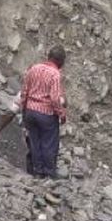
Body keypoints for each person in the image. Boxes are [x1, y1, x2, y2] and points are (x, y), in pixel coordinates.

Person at [18, 47, 68, 178]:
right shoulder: (55, 74)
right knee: (49, 144)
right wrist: (61, 113)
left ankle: (38, 171)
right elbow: (54, 98)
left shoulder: (33, 68)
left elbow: (24, 91)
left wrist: (24, 110)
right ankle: (49, 173)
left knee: (35, 143)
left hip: (30, 111)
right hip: (46, 114)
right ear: (60, 61)